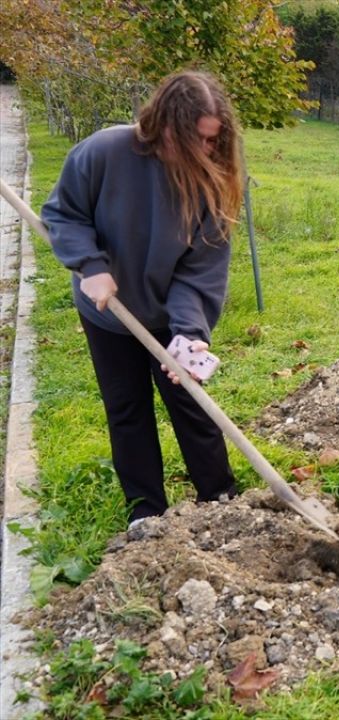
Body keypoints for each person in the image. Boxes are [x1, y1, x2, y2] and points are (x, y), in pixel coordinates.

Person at [41, 70, 243, 525]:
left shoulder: (209, 182)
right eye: (200, 141)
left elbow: (199, 270)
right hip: (106, 311)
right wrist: (90, 266)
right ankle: (146, 512)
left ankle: (224, 502)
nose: (208, 152)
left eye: (215, 141)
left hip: (169, 315)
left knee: (190, 403)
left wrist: (189, 333)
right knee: (127, 407)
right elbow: (64, 214)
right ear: (165, 125)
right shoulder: (104, 151)